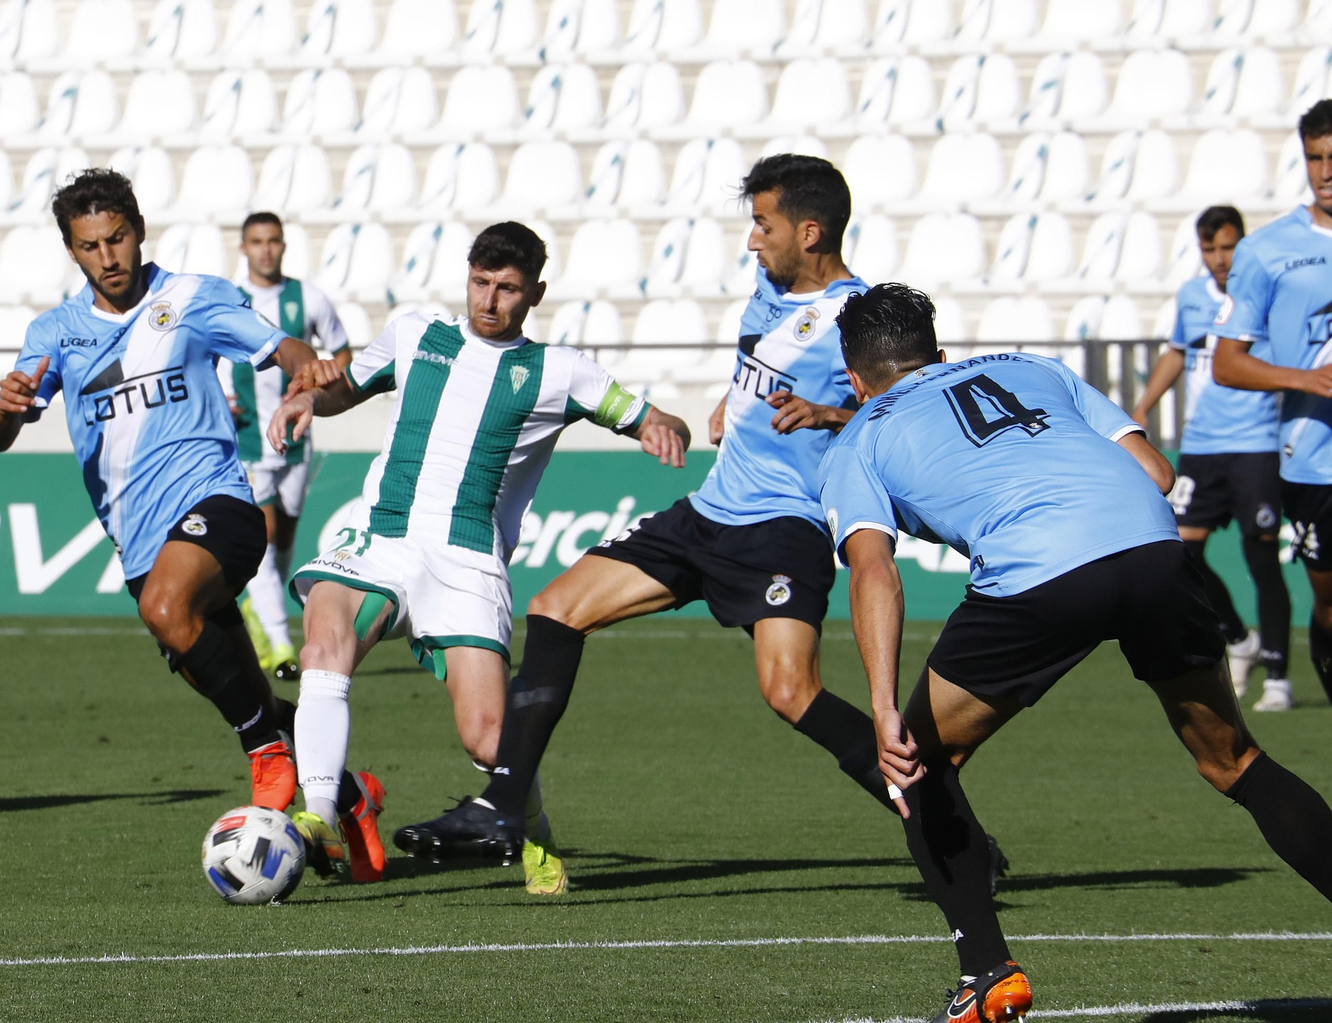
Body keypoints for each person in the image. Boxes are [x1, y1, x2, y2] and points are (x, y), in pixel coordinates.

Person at [390, 156, 1009, 885]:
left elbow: (914, 405)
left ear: (809, 232)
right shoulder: (768, 286)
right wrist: (735, 403)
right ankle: (502, 804)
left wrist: (834, 413)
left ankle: (955, 834)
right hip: (709, 513)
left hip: (784, 529)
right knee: (555, 608)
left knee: (791, 692)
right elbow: (761, 361)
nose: (752, 241)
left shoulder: (857, 316)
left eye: (763, 224)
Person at [820, 283, 1332, 1023]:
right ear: (940, 351)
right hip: (1154, 548)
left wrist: (878, 706)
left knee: (918, 765)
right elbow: (1156, 472)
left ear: (854, 376)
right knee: (1235, 761)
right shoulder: (1035, 368)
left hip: (1040, 574)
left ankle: (988, 975)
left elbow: (873, 569)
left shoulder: (860, 434)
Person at [0, 169, 386, 882]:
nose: (108, 257)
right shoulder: (56, 334)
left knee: (168, 610)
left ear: (139, 231)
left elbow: (279, 346)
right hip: (142, 544)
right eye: (90, 246)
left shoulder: (192, 298)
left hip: (221, 506)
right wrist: (7, 406)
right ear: (70, 252)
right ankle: (351, 795)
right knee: (245, 689)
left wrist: (306, 366)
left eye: (118, 238)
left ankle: (265, 755)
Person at [269, 221, 691, 893]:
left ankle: (535, 829)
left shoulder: (560, 370)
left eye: (507, 289)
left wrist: (664, 427)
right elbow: (345, 387)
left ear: (535, 294)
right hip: (382, 539)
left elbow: (651, 416)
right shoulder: (416, 335)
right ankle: (319, 813)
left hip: (467, 564)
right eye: (480, 282)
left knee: (491, 743)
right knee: (325, 641)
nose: (489, 301)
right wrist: (308, 399)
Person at [1130, 206, 1291, 710]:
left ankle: (1280, 677)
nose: (1219, 259)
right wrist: (1143, 405)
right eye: (1209, 249)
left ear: (1243, 245)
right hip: (1201, 445)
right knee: (1182, 550)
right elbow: (1179, 351)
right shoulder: (1192, 296)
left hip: (1257, 442)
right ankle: (1240, 638)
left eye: (1227, 247)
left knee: (1261, 553)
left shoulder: (1265, 292)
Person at [1213, 99, 1332, 709]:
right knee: (1328, 598)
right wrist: (1308, 381)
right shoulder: (1268, 250)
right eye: (1315, 157)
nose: (1325, 170)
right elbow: (1227, 361)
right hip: (1314, 457)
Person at [221, 212, 352, 682]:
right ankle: (279, 645)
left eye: (273, 241)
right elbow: (205, 357)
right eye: (256, 241)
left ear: (283, 246)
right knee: (266, 538)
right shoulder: (230, 301)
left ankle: (259, 611)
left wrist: (320, 381)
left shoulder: (308, 298)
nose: (266, 250)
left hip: (297, 442)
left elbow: (340, 351)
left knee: (283, 545)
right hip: (250, 440)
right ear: (244, 248)